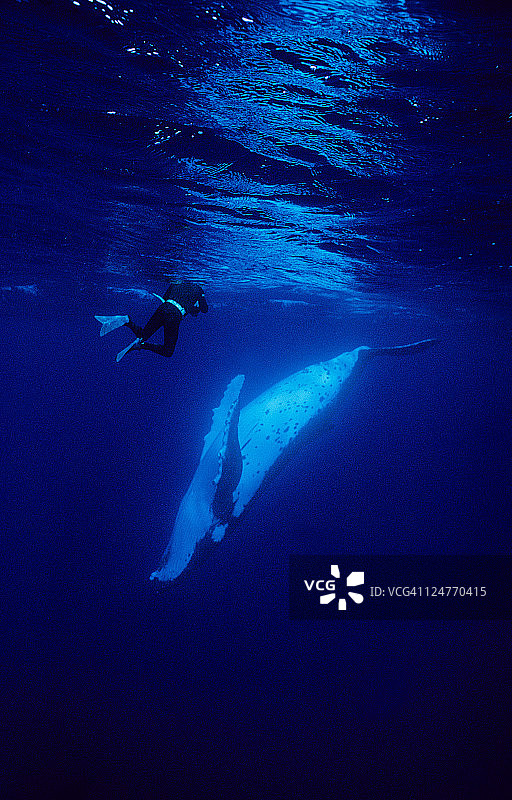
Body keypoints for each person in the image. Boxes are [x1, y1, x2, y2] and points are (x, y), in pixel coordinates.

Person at [95, 280, 208, 361]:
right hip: (175, 315)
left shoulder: (177, 282)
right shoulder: (198, 288)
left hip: (164, 307)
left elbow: (165, 298)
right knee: (168, 351)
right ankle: (141, 345)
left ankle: (126, 321)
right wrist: (199, 298)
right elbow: (205, 309)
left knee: (142, 334)